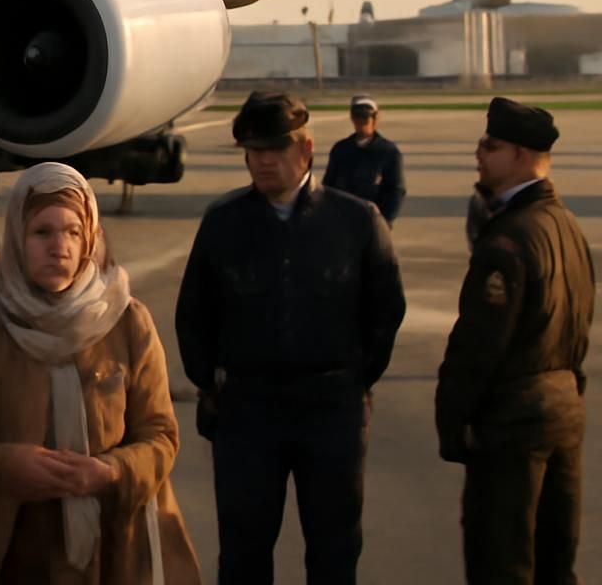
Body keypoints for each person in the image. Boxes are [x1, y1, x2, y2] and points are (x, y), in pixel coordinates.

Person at [0, 163, 201, 583]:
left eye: (72, 232)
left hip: (108, 549)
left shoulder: (125, 320)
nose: (59, 247)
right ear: (16, 237)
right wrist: (8, 465)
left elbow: (160, 435)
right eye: (42, 232)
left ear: (90, 238)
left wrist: (111, 471)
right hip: (2, 551)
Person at [174, 90, 405, 585]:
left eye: (274, 150)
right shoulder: (224, 222)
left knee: (334, 547)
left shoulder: (356, 221)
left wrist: (355, 380)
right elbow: (193, 312)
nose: (262, 162)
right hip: (249, 411)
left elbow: (385, 311)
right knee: (243, 548)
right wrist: (210, 381)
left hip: (330, 410)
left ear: (306, 150)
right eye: (254, 152)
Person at [435, 98, 594, 585]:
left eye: (491, 145)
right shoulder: (566, 225)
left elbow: (480, 345)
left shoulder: (509, 238)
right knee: (554, 562)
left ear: (522, 156)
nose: (478, 154)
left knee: (501, 562)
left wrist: (454, 420)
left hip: (513, 426)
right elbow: (579, 325)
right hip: (563, 412)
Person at [322, 94, 406, 225]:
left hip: (373, 221)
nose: (361, 122)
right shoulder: (341, 149)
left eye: (365, 117)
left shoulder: (388, 152)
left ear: (376, 118)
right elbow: (328, 186)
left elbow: (396, 190)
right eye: (357, 117)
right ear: (352, 118)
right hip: (343, 221)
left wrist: (385, 221)